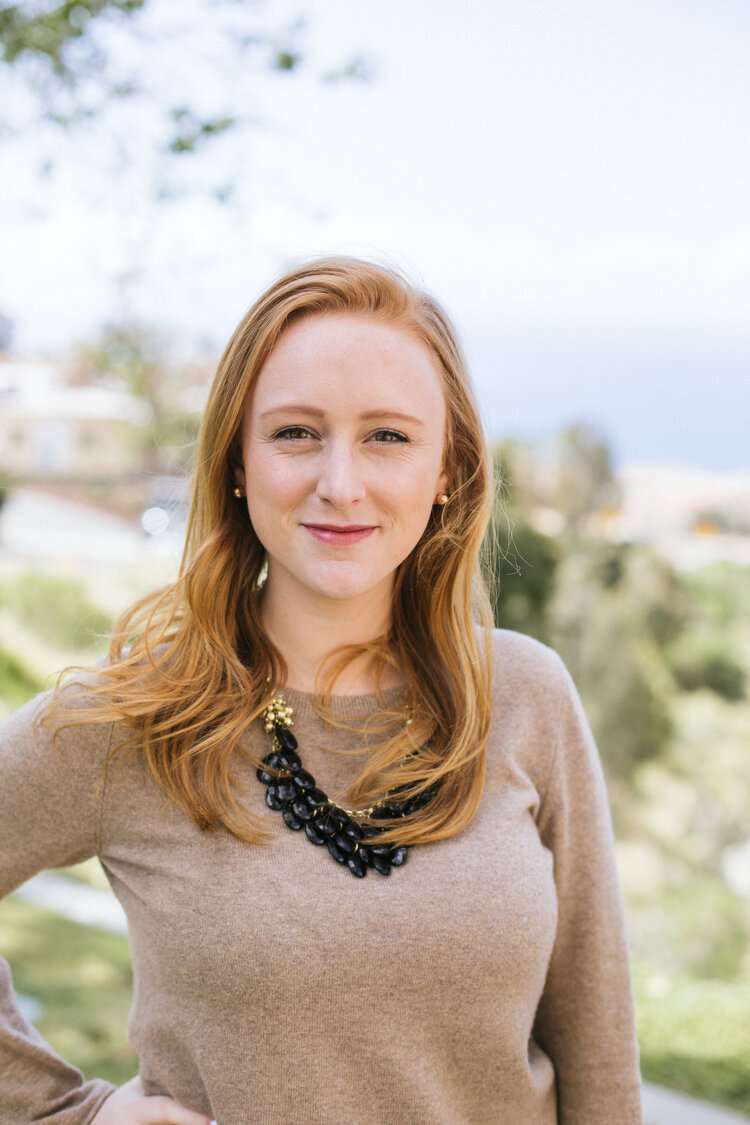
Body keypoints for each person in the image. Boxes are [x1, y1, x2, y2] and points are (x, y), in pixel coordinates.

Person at [0, 256, 643, 1125]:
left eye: (388, 436)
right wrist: (66, 1112)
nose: (340, 483)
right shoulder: (133, 721)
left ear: (446, 468)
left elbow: (597, 1048)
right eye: (296, 432)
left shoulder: (525, 694)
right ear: (237, 460)